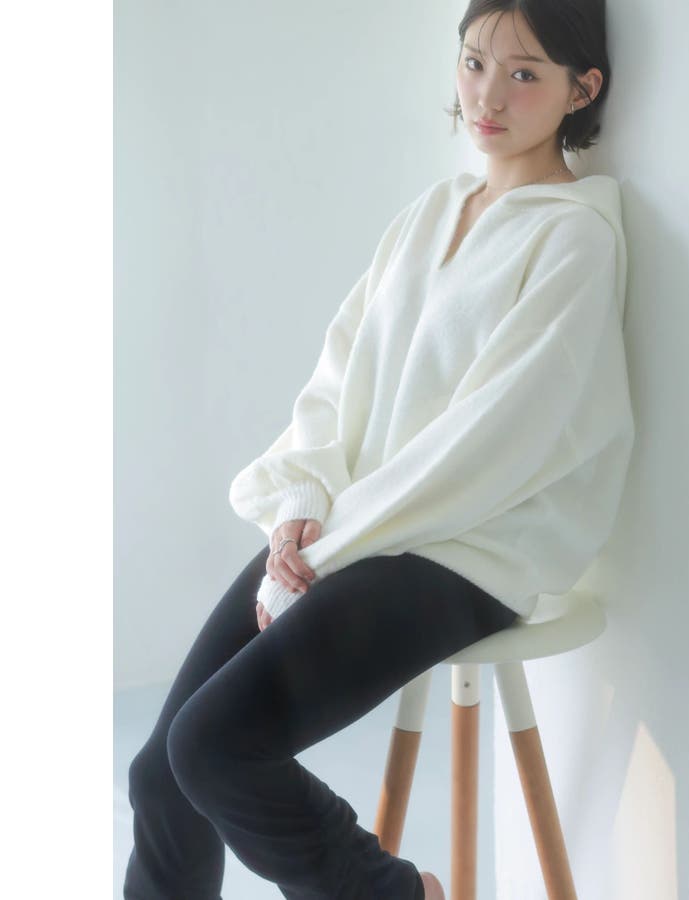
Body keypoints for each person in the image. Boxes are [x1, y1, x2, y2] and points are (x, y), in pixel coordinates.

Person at [124, 1, 635, 898]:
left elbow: (488, 446)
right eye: (474, 62)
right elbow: (338, 378)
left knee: (213, 746)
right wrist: (300, 507)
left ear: (582, 89)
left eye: (524, 74)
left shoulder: (574, 239)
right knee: (159, 775)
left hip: (461, 554)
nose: (487, 96)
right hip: (351, 534)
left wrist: (325, 550)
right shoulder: (431, 214)